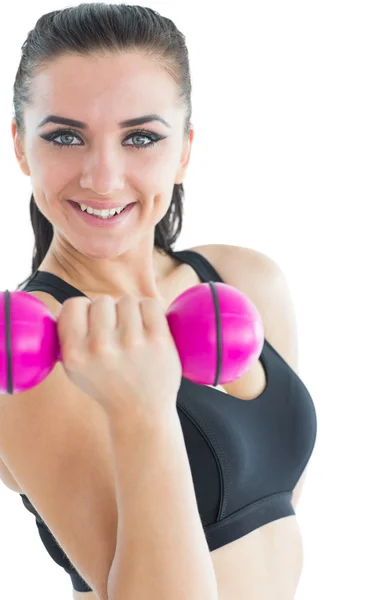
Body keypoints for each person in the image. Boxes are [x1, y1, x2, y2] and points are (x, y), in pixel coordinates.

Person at [1, 3, 317, 599]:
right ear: (20, 147)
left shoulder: (247, 282)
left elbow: (279, 510)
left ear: (185, 150)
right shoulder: (32, 360)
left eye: (141, 137)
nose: (102, 176)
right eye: (65, 136)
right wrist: (141, 411)